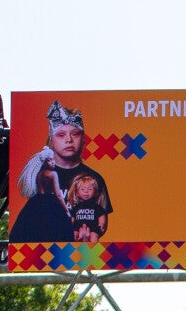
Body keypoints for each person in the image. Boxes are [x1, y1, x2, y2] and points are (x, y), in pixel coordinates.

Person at [10, 100, 111, 244]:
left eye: (75, 134)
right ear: (51, 140)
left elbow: (102, 218)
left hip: (79, 251)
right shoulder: (43, 174)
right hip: (40, 251)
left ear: (83, 139)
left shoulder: (95, 178)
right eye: (61, 135)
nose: (69, 140)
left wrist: (93, 233)